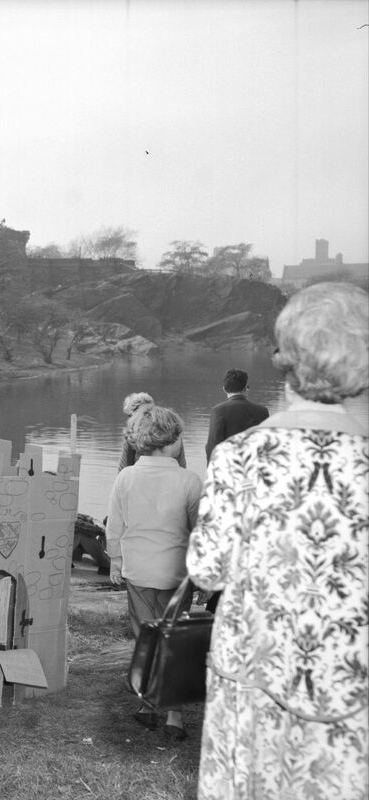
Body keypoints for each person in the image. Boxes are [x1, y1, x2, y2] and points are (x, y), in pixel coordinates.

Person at [187, 282, 368, 800]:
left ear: (282, 357)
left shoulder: (238, 456)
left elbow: (207, 571)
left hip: (253, 674)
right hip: (351, 686)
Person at [106, 404, 202, 740]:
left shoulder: (126, 477)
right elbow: (198, 531)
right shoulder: (190, 480)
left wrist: (115, 561)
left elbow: (114, 526)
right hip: (176, 574)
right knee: (174, 640)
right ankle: (174, 715)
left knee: (145, 638)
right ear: (172, 441)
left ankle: (148, 706)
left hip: (139, 571)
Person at [203, 368, 269, 460]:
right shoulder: (263, 411)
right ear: (246, 388)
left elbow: (213, 445)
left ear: (224, 389)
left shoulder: (218, 411)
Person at [117, 392, 186, 471]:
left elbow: (182, 466)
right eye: (146, 413)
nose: (150, 416)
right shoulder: (131, 436)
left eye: (151, 411)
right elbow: (123, 468)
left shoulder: (174, 434)